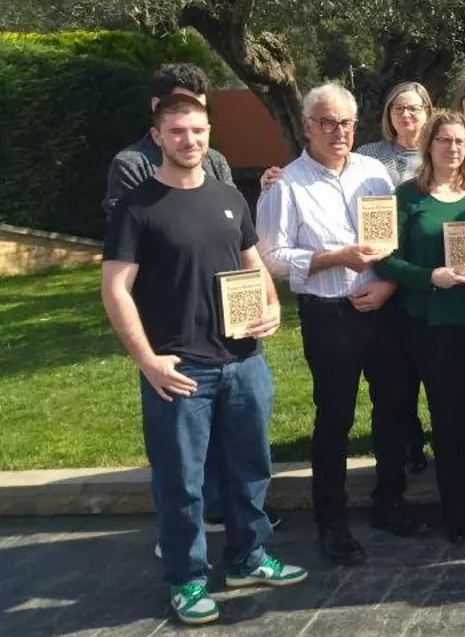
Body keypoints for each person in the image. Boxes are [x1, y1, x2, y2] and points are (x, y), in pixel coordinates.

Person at [102, 95, 305, 626]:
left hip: (243, 361)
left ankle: (248, 557)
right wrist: (147, 360)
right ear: (157, 136)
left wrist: (272, 307)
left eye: (197, 130)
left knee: (250, 468)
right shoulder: (138, 207)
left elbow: (253, 263)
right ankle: (186, 579)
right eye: (177, 131)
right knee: (183, 482)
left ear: (209, 131)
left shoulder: (228, 196)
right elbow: (115, 289)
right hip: (179, 368)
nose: (189, 140)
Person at [257, 83, 427, 565]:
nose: (338, 132)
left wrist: (388, 284)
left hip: (383, 308)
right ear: (307, 126)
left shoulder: (374, 173)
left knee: (394, 408)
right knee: (335, 418)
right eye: (327, 123)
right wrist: (336, 258)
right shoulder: (286, 184)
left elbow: (394, 239)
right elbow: (272, 257)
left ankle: (389, 502)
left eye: (346, 123)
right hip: (329, 315)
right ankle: (331, 522)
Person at [373, 111, 465, 543]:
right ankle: (458, 515)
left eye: (460, 141)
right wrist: (428, 277)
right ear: (428, 145)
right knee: (447, 417)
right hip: (431, 326)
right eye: (444, 140)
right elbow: (383, 259)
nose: (453, 148)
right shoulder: (406, 196)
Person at [355, 81, 435, 475]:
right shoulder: (367, 156)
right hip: (380, 274)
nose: (406, 115)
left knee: (431, 369)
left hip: (424, 275)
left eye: (414, 108)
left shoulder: (440, 152)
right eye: (398, 108)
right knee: (392, 377)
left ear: (428, 111)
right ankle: (408, 444)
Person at [104, 63, 235, 216]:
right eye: (182, 106)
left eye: (200, 108)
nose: (192, 115)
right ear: (156, 105)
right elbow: (124, 224)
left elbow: (235, 216)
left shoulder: (215, 161)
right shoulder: (132, 165)